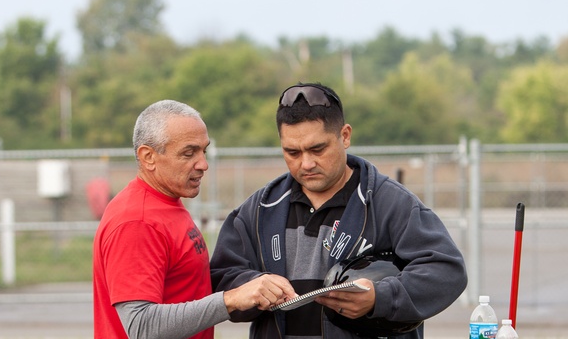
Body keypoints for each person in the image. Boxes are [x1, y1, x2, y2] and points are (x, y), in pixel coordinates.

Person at [210, 83, 468, 339]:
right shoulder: (258, 209)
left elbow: (447, 270)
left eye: (317, 149)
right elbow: (221, 278)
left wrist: (381, 298)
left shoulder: (391, 203)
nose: (306, 163)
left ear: (344, 136)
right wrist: (250, 288)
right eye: (292, 152)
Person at [93, 100, 296, 339]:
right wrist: (230, 300)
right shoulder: (138, 221)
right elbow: (141, 326)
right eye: (189, 153)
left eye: (204, 150)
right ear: (148, 157)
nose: (203, 164)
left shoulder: (166, 202)